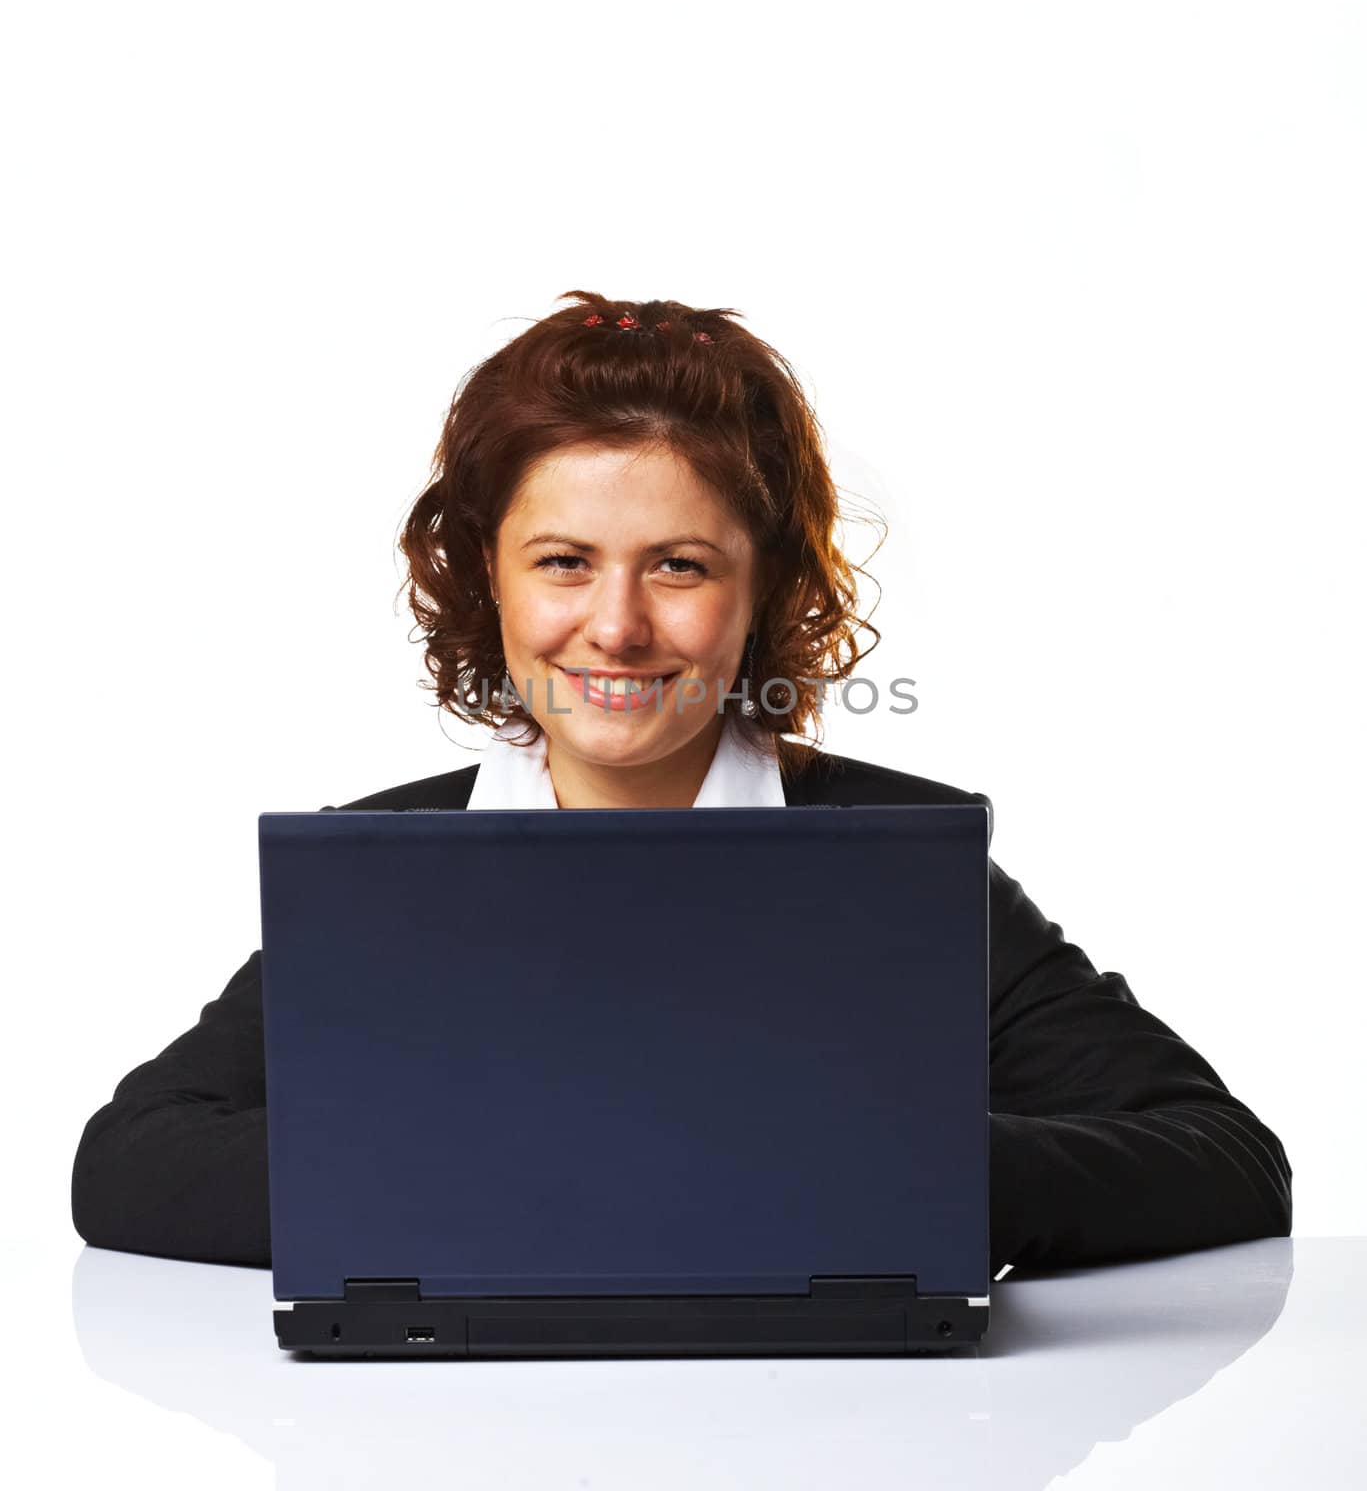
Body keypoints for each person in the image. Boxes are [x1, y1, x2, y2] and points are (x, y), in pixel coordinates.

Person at [70, 290, 1292, 1275]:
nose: (614, 624)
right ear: (484, 577)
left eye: (679, 565)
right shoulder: (380, 865)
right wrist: (612, 1168)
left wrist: (879, 1168)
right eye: (561, 560)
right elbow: (132, 1161)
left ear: (761, 591)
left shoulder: (896, 855)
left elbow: (1222, 1157)